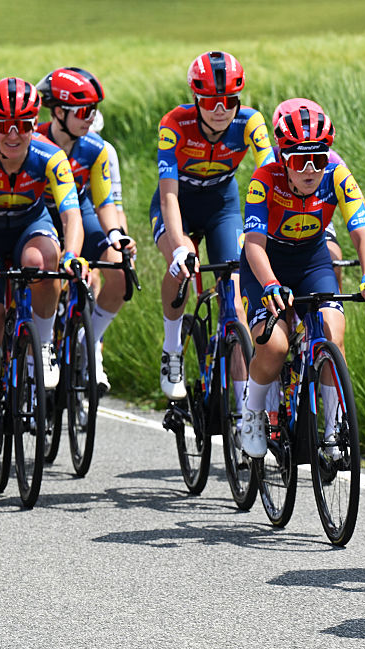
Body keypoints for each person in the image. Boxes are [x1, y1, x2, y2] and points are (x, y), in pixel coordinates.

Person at [238, 105, 365, 459]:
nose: (309, 169)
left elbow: (362, 228)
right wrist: (270, 282)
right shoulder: (265, 177)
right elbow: (254, 244)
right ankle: (252, 412)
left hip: (311, 259)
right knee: (274, 347)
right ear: (283, 157)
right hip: (267, 262)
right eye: (299, 161)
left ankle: (332, 432)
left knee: (334, 329)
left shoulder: (336, 172)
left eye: (317, 160)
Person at [0, 77, 86, 473]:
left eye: (24, 125)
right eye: (3, 125)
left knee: (42, 261)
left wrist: (73, 255)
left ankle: (43, 345)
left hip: (31, 226)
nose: (13, 135)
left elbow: (70, 216)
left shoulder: (50, 156)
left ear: (35, 124)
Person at [153, 50, 275, 400]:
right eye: (210, 102)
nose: (220, 109)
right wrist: (179, 246)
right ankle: (172, 348)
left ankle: (242, 406)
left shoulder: (251, 122)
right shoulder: (174, 124)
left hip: (223, 204)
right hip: (180, 204)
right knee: (181, 266)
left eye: (229, 100)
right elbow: (169, 198)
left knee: (235, 304)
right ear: (196, 99)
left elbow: (269, 176)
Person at [36, 67, 134, 391]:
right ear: (58, 111)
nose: (90, 117)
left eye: (93, 110)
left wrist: (117, 236)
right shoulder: (34, 140)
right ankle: (37, 342)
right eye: (82, 111)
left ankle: (87, 339)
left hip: (80, 212)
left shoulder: (95, 149)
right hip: (38, 215)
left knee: (120, 271)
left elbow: (105, 204)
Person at [269, 98, 365, 289]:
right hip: (279, 226)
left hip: (316, 218)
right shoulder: (270, 159)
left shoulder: (332, 159)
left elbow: (363, 211)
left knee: (333, 259)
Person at [89, 111, 127, 232]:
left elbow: (118, 208)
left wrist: (124, 238)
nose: (91, 143)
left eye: (95, 136)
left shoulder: (107, 151)